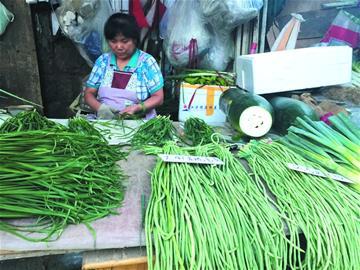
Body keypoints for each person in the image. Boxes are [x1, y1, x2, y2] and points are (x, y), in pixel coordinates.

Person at [84, 13, 164, 119]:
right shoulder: (103, 61)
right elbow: (89, 93)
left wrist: (137, 108)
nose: (119, 46)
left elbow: (158, 97)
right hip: (104, 122)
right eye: (113, 41)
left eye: (124, 41)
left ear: (135, 40)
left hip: (138, 122)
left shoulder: (146, 62)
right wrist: (100, 108)